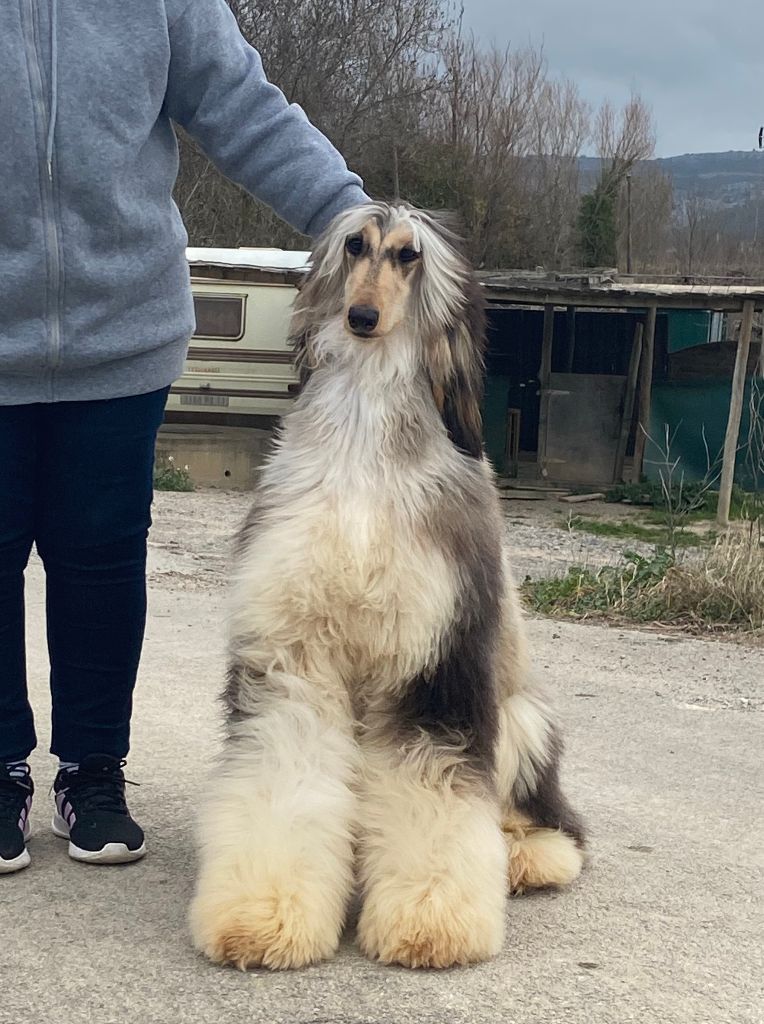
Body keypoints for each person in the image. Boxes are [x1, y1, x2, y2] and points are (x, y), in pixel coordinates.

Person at [0, 0, 368, 873]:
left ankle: (93, 772)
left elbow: (242, 107)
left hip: (122, 333)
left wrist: (356, 223)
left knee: (102, 560)